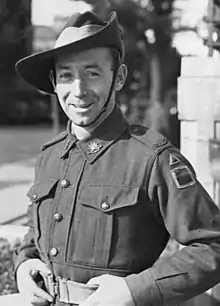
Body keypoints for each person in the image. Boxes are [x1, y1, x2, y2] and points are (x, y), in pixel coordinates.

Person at [14, 10, 220, 306]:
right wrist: (24, 265)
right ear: (54, 82)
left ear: (118, 77)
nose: (79, 90)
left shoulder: (151, 158)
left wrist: (135, 291)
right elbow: (36, 234)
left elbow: (213, 244)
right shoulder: (50, 156)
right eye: (66, 76)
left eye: (92, 73)